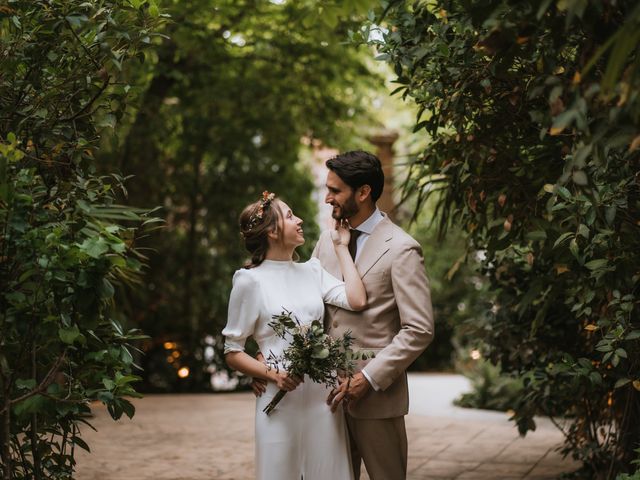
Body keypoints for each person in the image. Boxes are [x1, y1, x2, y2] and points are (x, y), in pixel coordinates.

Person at [222, 191, 367, 480]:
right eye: (290, 216)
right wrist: (272, 374)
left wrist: (341, 247)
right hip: (279, 403)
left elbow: (357, 299)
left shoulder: (312, 271)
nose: (299, 220)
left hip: (322, 401)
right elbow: (232, 351)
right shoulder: (249, 281)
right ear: (273, 231)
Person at [314, 150, 434, 480]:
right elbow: (311, 309)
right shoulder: (326, 241)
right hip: (325, 397)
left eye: (335, 190)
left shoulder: (402, 248)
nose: (327, 198)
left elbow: (419, 329)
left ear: (363, 192)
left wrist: (368, 378)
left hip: (378, 399)